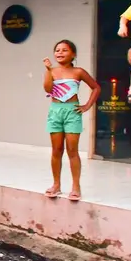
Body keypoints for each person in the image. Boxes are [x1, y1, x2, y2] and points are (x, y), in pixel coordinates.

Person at [42, 39, 100, 201]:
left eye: (64, 50)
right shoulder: (52, 71)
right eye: (57, 50)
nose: (60, 53)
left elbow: (96, 87)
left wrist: (87, 106)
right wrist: (47, 70)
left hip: (72, 111)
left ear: (73, 54)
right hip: (55, 111)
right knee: (56, 150)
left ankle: (76, 186)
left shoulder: (78, 72)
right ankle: (56, 184)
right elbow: (47, 89)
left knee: (72, 151)